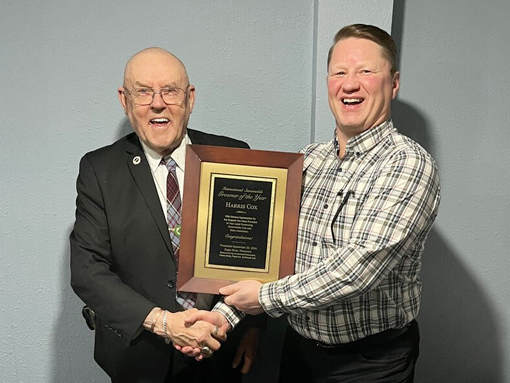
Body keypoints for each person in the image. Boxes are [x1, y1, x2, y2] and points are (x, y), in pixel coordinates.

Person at [186, 24, 441, 382]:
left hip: (368, 365)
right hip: (299, 352)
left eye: (366, 71)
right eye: (339, 72)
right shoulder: (309, 160)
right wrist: (225, 316)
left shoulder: (407, 164)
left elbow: (356, 270)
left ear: (393, 83)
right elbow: (272, 258)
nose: (349, 83)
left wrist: (265, 298)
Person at [70, 47, 261, 383]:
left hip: (221, 351)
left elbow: (257, 256)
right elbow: (88, 271)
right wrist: (164, 323)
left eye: (169, 91)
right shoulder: (99, 170)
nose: (157, 103)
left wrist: (251, 329)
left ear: (189, 98)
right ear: (124, 100)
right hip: (140, 355)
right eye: (143, 91)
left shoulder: (234, 156)